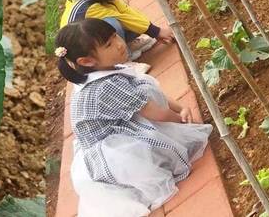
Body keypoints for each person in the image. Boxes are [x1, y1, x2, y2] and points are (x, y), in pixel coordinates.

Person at [55, 19, 212, 216]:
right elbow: (153, 110)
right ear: (86, 61)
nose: (120, 43)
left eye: (115, 36)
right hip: (111, 149)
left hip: (117, 126)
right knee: (152, 136)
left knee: (145, 89)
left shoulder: (104, 70)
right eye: (109, 44)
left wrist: (179, 106)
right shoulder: (105, 86)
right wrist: (180, 118)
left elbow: (145, 93)